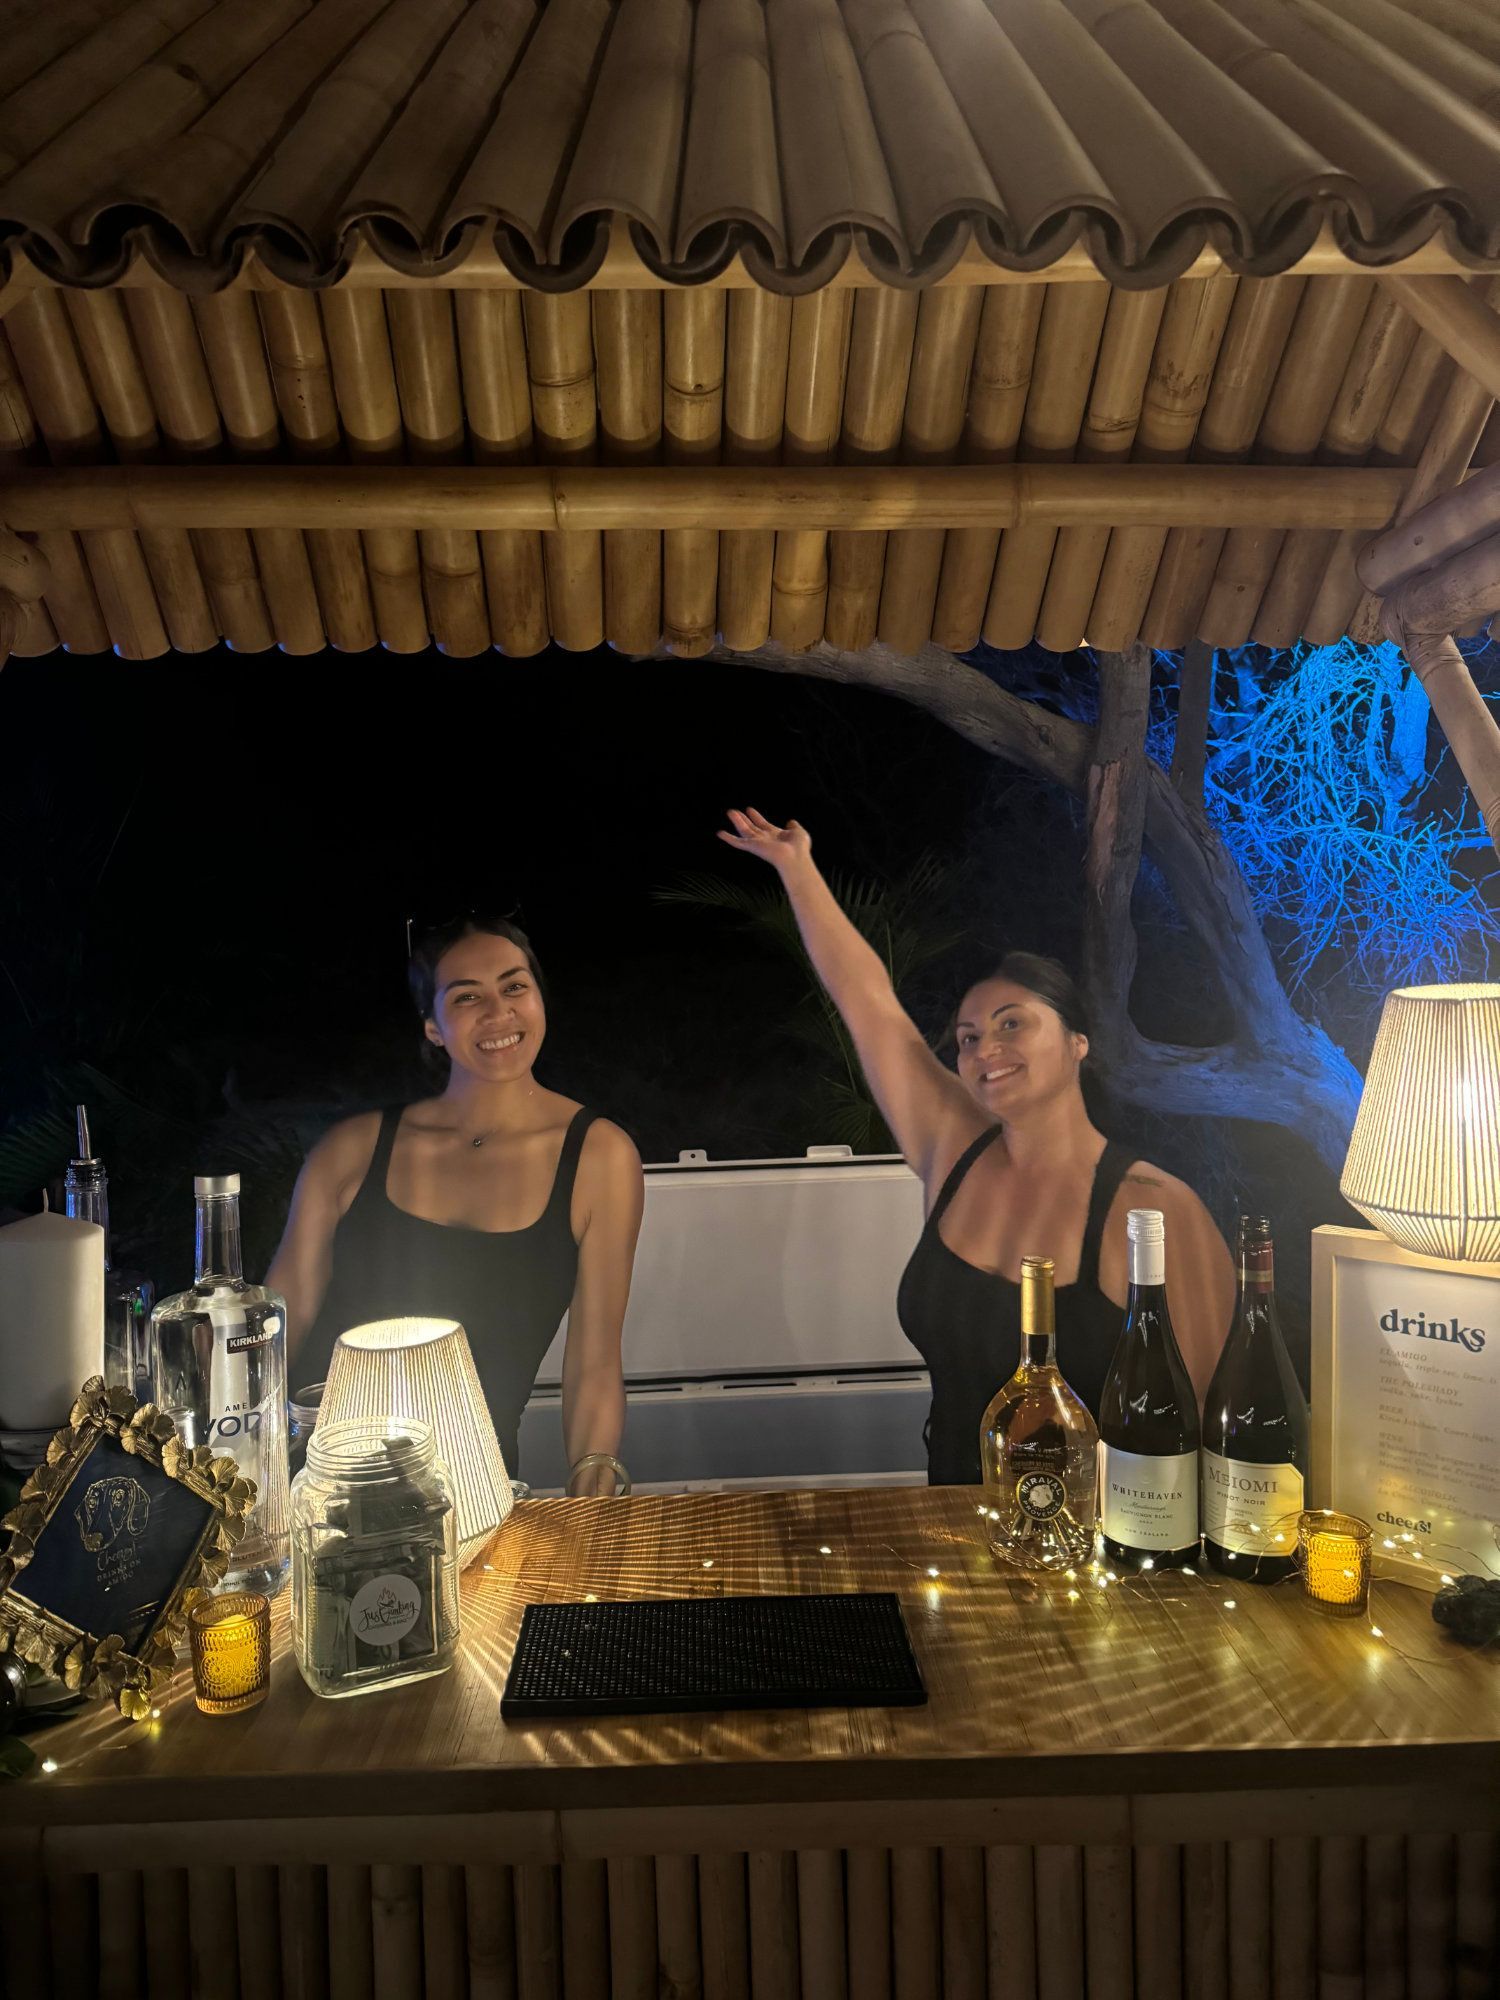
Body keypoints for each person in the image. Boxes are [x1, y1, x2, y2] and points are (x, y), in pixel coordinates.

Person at [721, 808, 1235, 1486]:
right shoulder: (953, 1152)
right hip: (954, 1536)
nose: (984, 1049)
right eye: (967, 1037)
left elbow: (1210, 1442)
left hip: (1099, 1564)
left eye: (1012, 1024)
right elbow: (870, 1003)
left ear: (1079, 1043)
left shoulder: (1152, 1212)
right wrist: (798, 869)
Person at [267, 915, 643, 1494]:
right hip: (319, 1480)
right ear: (434, 1028)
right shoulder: (352, 1150)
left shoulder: (599, 1157)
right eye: (467, 997)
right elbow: (275, 1335)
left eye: (514, 986)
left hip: (469, 1486)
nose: (498, 1013)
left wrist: (592, 1486)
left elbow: (593, 1361)